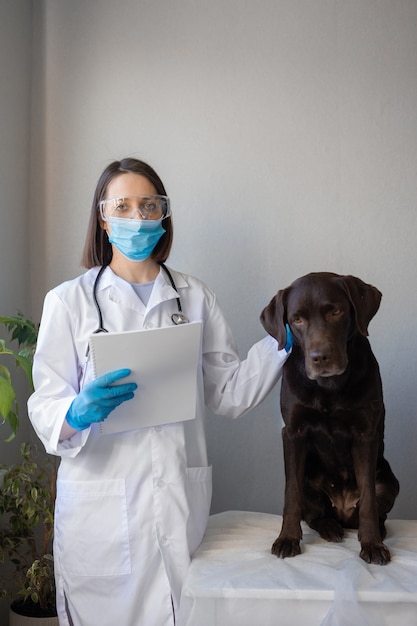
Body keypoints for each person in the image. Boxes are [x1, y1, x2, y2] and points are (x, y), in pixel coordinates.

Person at [28, 157, 291, 626]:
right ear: (103, 217)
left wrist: (278, 347)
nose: (137, 217)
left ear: (163, 215)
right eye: (123, 206)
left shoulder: (194, 297)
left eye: (149, 205)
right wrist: (77, 410)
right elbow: (47, 406)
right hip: (100, 510)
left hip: (176, 502)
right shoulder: (67, 302)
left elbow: (228, 393)